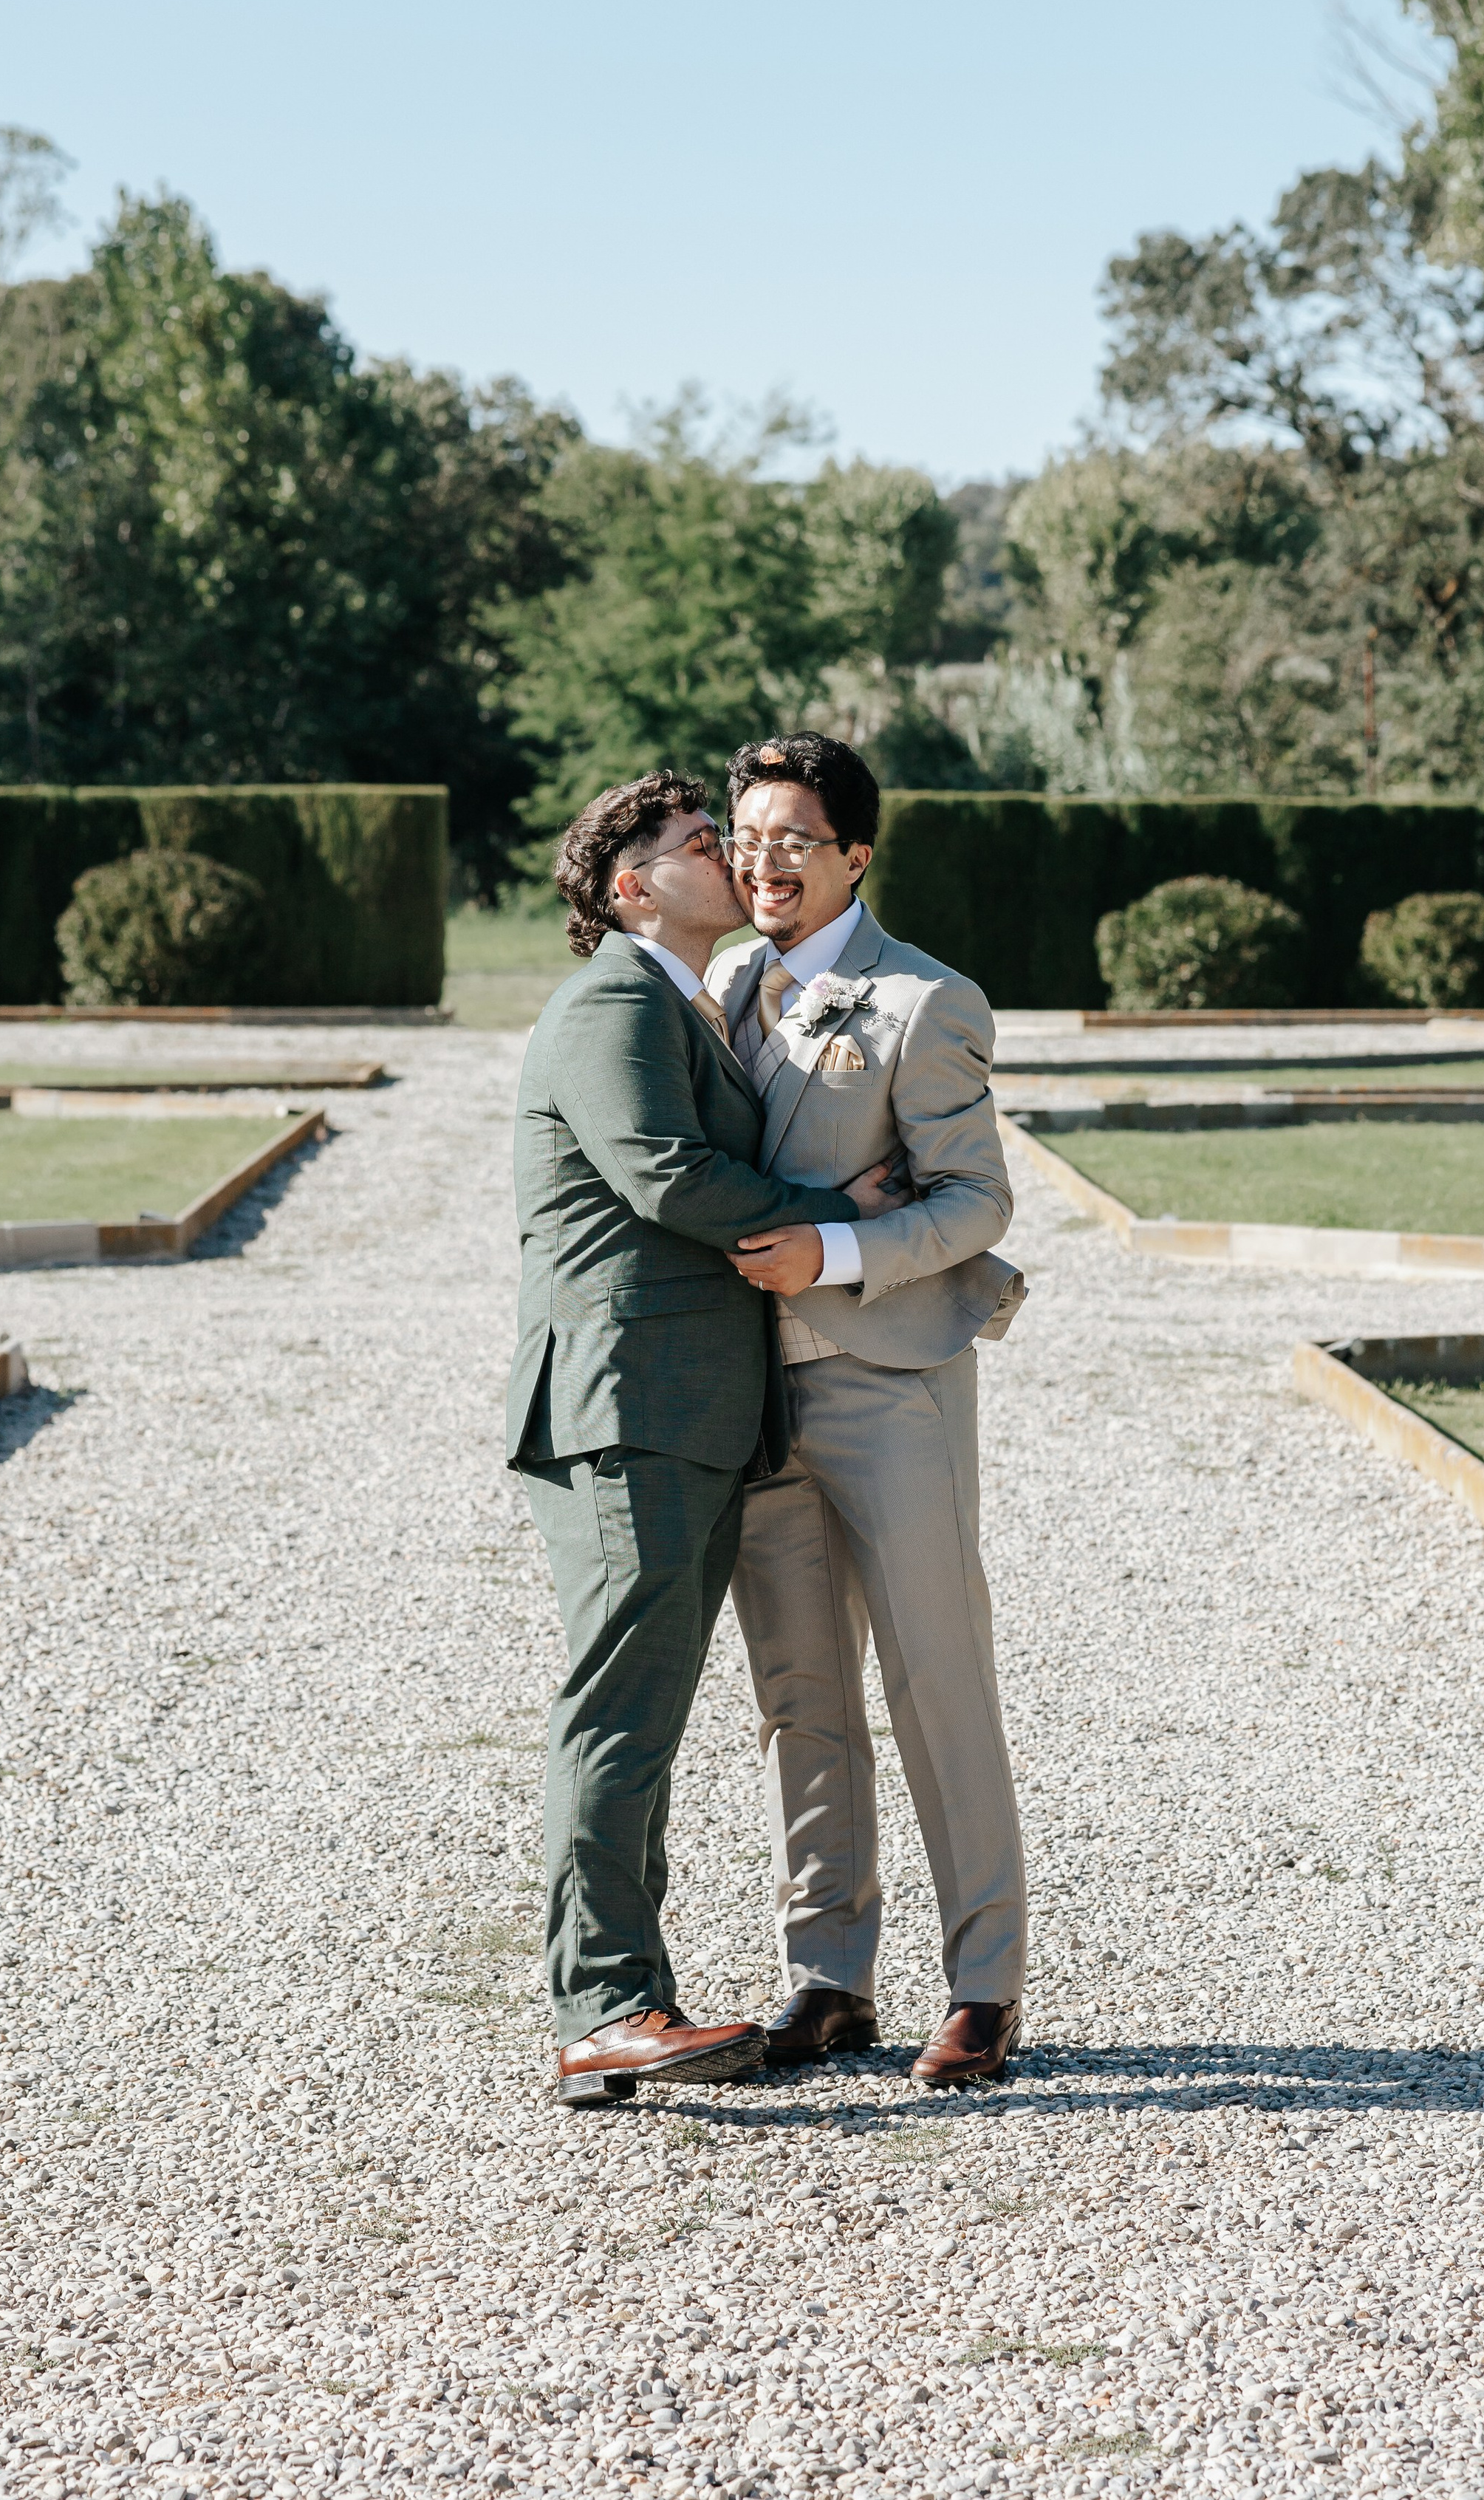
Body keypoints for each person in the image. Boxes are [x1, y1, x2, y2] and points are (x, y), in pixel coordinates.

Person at [508, 768, 898, 2108]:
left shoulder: (688, 1002)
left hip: (681, 1413)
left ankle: (621, 2002)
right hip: (631, 1407)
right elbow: (665, 1171)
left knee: (646, 1708)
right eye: (694, 842)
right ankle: (606, 2006)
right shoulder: (617, 1001)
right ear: (631, 888)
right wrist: (827, 1202)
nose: (726, 854)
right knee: (620, 1707)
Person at [705, 733, 1030, 2089]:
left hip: (889, 1383)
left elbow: (977, 1202)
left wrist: (834, 1253)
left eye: (793, 838)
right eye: (748, 836)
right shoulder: (720, 982)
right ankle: (828, 1975)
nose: (763, 861)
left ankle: (984, 1988)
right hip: (749, 1389)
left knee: (933, 1676)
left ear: (854, 856)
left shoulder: (925, 1001)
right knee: (799, 1691)